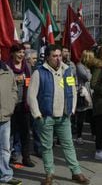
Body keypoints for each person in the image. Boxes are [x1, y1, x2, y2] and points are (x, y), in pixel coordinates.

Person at [27, 44, 89, 185]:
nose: (58, 58)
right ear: (48, 57)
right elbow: (31, 96)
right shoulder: (39, 72)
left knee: (68, 145)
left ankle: (76, 172)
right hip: (46, 117)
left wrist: (72, 109)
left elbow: (72, 91)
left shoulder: (67, 71)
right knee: (47, 147)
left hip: (64, 116)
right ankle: (49, 174)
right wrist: (37, 115)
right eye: (54, 56)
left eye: (60, 55)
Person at [7, 43, 34, 167]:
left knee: (25, 133)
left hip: (24, 105)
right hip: (10, 105)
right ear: (13, 53)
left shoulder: (27, 66)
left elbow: (30, 84)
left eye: (23, 52)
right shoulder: (6, 67)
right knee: (9, 134)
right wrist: (14, 79)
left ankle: (26, 158)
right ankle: (8, 158)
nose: (21, 55)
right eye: (19, 52)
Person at [0, 49, 22, 185]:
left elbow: (14, 88)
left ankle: (5, 175)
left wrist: (12, 103)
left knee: (5, 148)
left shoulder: (7, 69)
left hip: (5, 116)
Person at [75, 50, 94, 145]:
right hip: (82, 94)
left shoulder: (88, 67)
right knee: (81, 117)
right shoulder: (79, 66)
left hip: (90, 93)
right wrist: (91, 72)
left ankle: (94, 134)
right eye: (91, 58)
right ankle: (79, 136)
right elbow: (88, 77)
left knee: (91, 115)